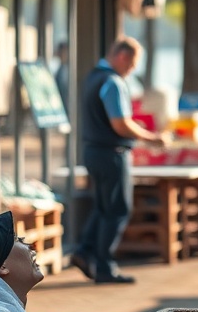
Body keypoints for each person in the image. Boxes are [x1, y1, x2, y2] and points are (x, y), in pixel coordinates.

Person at [70, 36, 168, 285]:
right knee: (117, 209)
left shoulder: (93, 77)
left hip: (93, 150)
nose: (132, 70)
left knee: (103, 207)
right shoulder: (113, 82)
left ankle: (84, 251)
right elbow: (120, 123)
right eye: (133, 64)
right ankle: (104, 266)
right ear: (122, 56)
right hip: (111, 153)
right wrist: (151, 138)